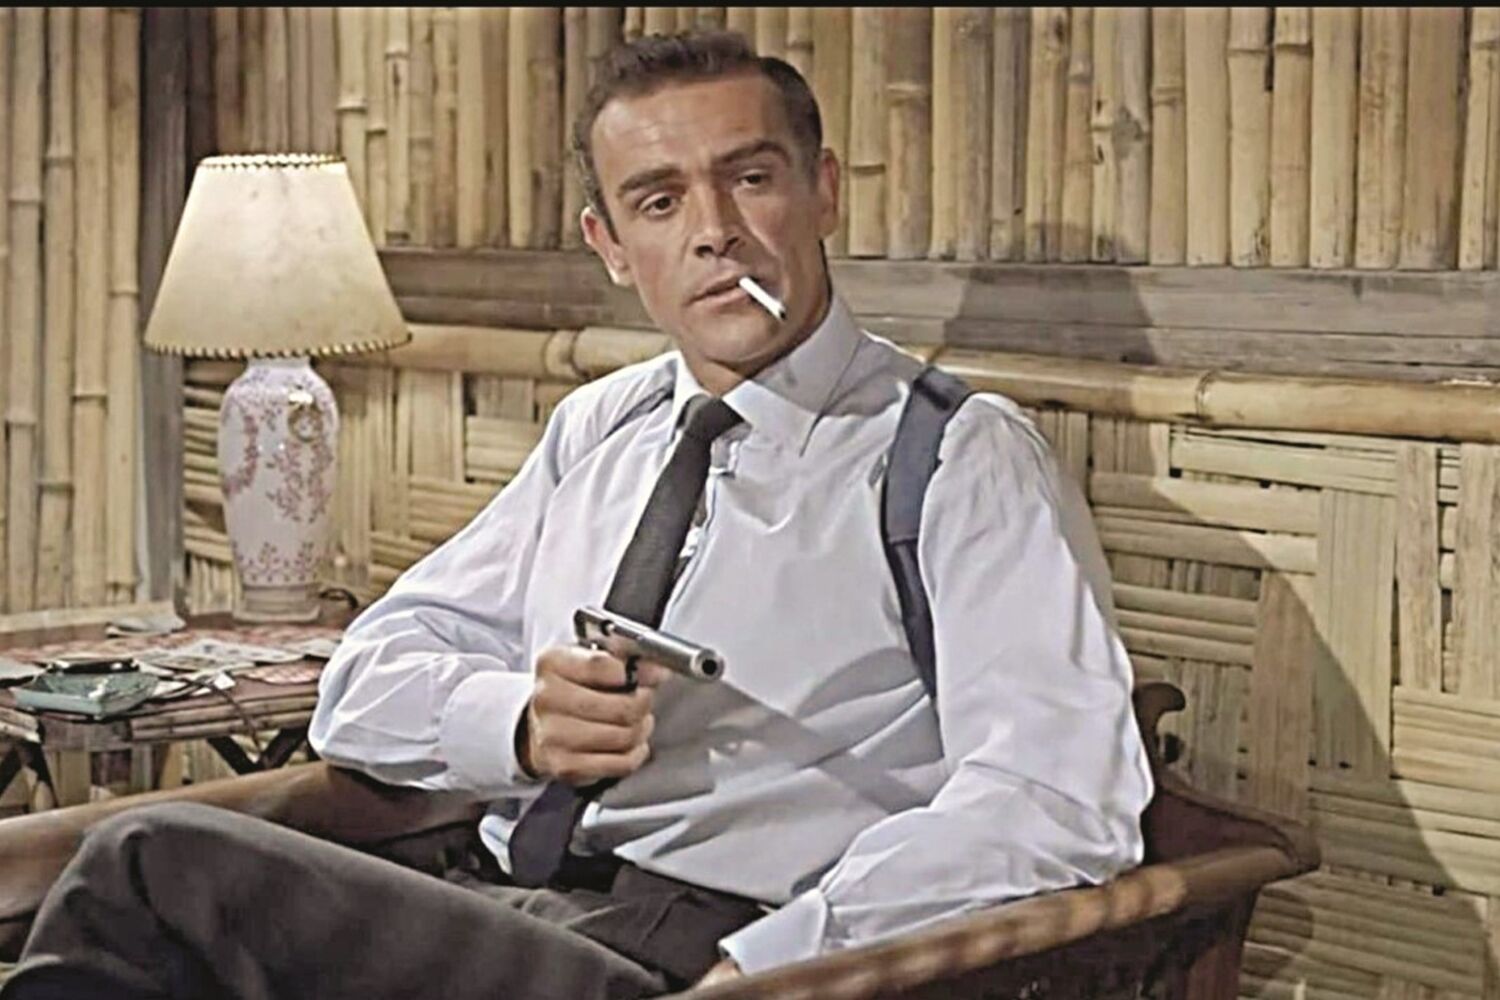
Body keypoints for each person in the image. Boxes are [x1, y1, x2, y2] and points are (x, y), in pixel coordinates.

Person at [1, 31, 1151, 1000]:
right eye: (660, 200)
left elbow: (1054, 800)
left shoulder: (955, 456)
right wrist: (518, 724)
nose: (715, 230)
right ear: (611, 248)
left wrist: (774, 966)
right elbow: (363, 687)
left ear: (823, 192)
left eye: (751, 178)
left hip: (722, 953)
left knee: (148, 864)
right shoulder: (603, 427)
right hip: (508, 899)